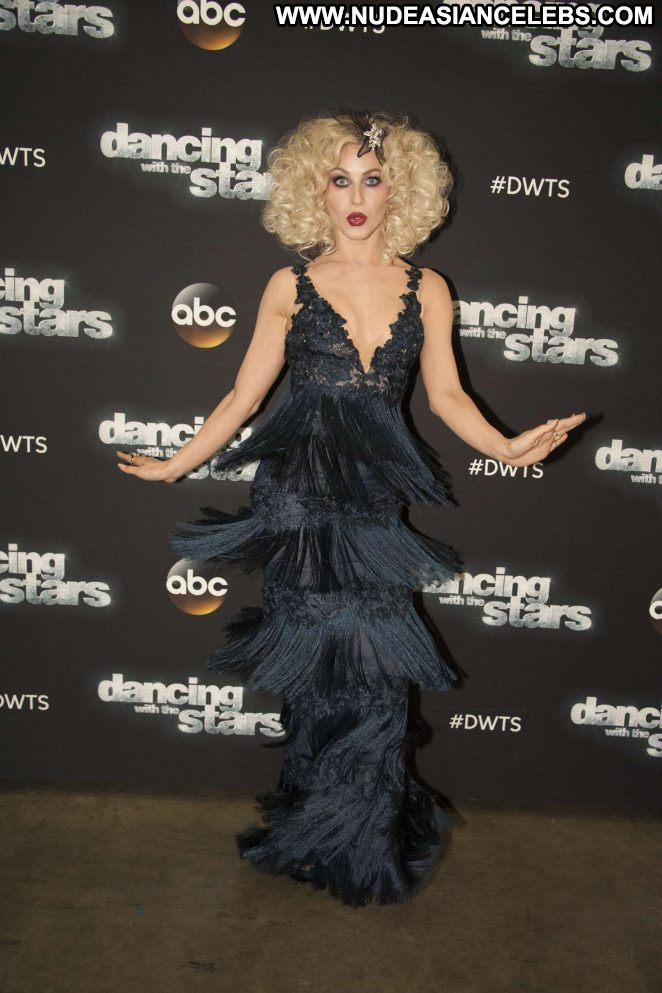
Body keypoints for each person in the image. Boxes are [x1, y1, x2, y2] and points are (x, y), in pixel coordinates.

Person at [116, 108, 586, 907]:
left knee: (376, 677)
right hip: (298, 502)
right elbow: (243, 396)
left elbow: (447, 395)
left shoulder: (428, 288)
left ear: (401, 190)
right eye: (340, 180)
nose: (357, 197)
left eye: (373, 179)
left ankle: (363, 841)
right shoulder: (288, 286)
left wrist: (507, 446)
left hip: (372, 506)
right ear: (316, 190)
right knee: (317, 673)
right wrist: (177, 463)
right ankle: (314, 829)